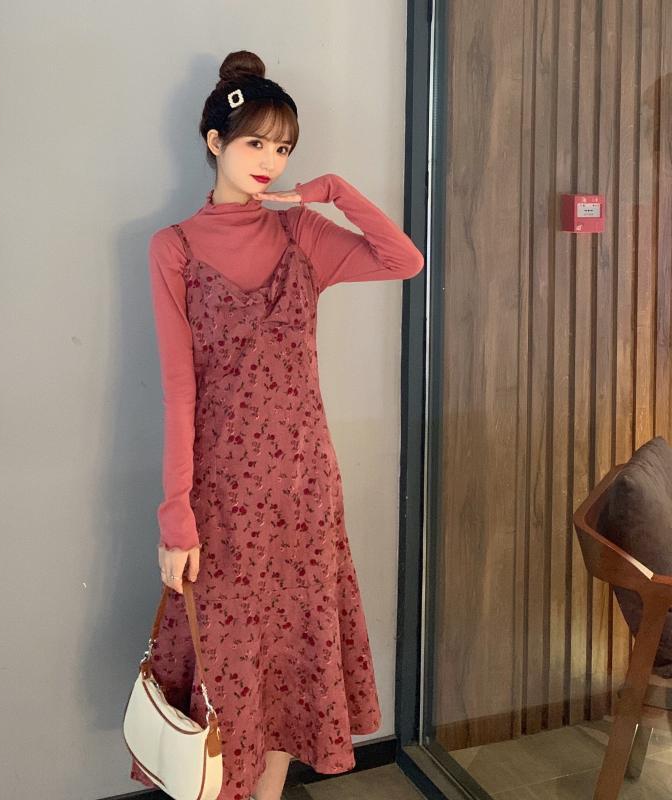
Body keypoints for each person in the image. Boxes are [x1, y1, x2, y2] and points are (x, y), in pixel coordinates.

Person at [131, 49, 425, 800]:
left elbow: (404, 261)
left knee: (292, 664)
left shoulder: (303, 235)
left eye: (284, 148)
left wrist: (334, 192)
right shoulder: (174, 248)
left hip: (302, 490)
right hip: (221, 500)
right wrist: (176, 515)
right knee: (227, 672)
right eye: (256, 142)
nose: (271, 161)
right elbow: (178, 391)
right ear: (215, 141)